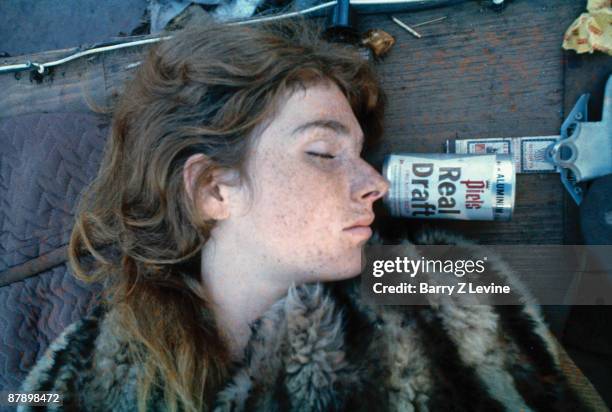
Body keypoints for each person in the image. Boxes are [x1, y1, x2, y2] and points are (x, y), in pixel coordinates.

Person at [18, 17, 587, 412]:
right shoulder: (73, 381)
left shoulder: (441, 283)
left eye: (359, 154)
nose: (375, 183)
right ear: (213, 189)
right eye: (322, 153)